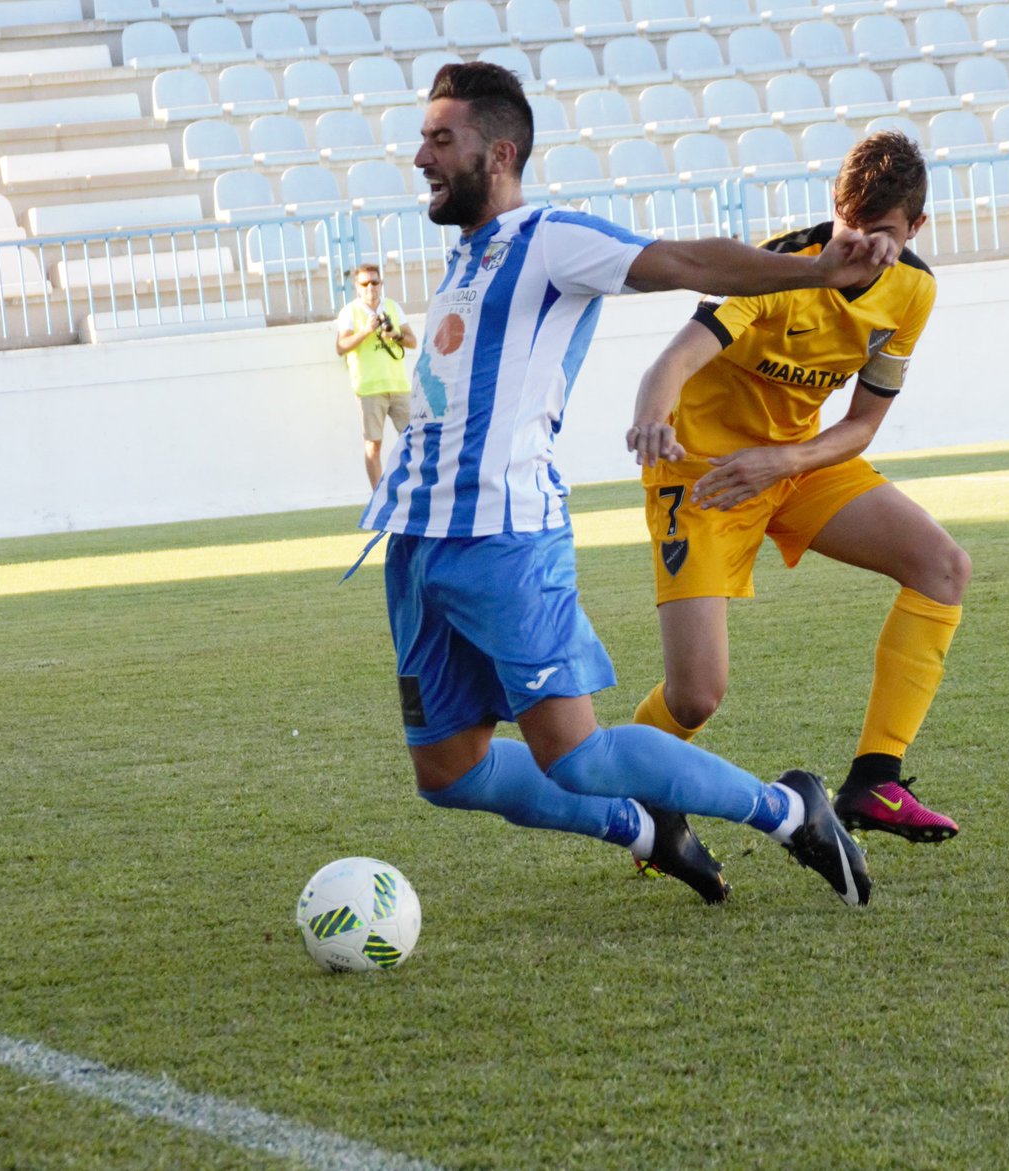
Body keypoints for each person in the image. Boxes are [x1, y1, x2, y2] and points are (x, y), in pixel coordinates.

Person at [359, 62, 903, 907]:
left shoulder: (551, 238)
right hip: (420, 543)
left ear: (498, 152)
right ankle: (649, 829)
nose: (421, 156)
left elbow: (685, 260)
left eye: (440, 139)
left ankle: (788, 809)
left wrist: (814, 271)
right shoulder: (468, 256)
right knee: (447, 769)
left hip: (503, 537)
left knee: (574, 752)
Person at [627, 130, 971, 845]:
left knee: (942, 566)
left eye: (882, 235)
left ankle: (875, 781)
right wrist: (651, 418)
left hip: (795, 464)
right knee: (696, 693)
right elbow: (672, 361)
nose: (863, 248)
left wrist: (785, 462)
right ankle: (638, 797)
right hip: (703, 475)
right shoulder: (775, 272)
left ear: (915, 229)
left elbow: (864, 424)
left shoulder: (914, 289)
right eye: (851, 227)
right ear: (833, 211)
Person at [335, 264, 419, 489]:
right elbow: (341, 346)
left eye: (374, 282)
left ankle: (413, 488)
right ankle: (379, 495)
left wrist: (395, 334)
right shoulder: (350, 312)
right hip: (369, 388)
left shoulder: (392, 307)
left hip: (398, 385)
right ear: (357, 287)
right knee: (373, 445)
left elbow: (413, 341)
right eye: (365, 283)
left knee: (415, 442)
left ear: (381, 284)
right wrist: (366, 331)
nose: (370, 287)